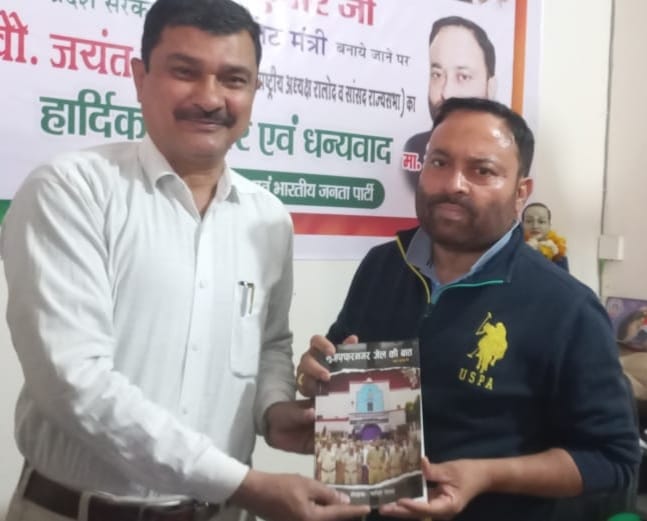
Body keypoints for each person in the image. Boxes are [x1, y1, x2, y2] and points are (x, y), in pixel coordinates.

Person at [0, 2, 370, 521]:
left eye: (233, 79)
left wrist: (274, 410)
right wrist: (244, 485)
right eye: (185, 72)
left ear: (254, 90)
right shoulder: (71, 191)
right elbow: (73, 381)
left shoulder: (267, 217)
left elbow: (269, 344)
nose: (210, 98)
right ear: (140, 77)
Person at [298, 97, 640, 521]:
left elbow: (613, 459)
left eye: (482, 171)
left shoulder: (568, 308)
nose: (454, 184)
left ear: (521, 193)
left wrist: (486, 475)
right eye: (439, 162)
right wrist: (316, 377)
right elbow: (339, 366)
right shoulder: (382, 266)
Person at [401, 16, 497, 190]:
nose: (446, 92)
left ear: (490, 87)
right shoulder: (414, 149)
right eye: (437, 75)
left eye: (463, 77)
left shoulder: (504, 154)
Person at [521, 202, 569, 271]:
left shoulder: (558, 256)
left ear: (549, 225)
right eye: (529, 221)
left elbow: (562, 278)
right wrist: (526, 252)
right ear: (522, 225)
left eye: (541, 221)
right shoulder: (511, 250)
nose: (535, 226)